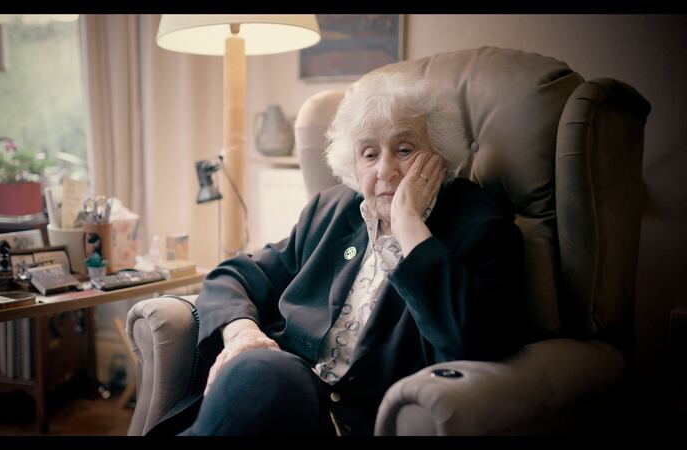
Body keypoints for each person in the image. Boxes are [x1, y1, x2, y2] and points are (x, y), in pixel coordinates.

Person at [148, 71, 525, 436]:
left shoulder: (479, 227)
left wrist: (409, 225)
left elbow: (473, 341)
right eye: (369, 153)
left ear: (439, 156)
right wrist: (241, 333)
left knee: (260, 374)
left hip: (347, 416)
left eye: (405, 149)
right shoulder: (332, 210)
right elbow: (234, 275)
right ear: (353, 163)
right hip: (277, 387)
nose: (385, 170)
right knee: (257, 371)